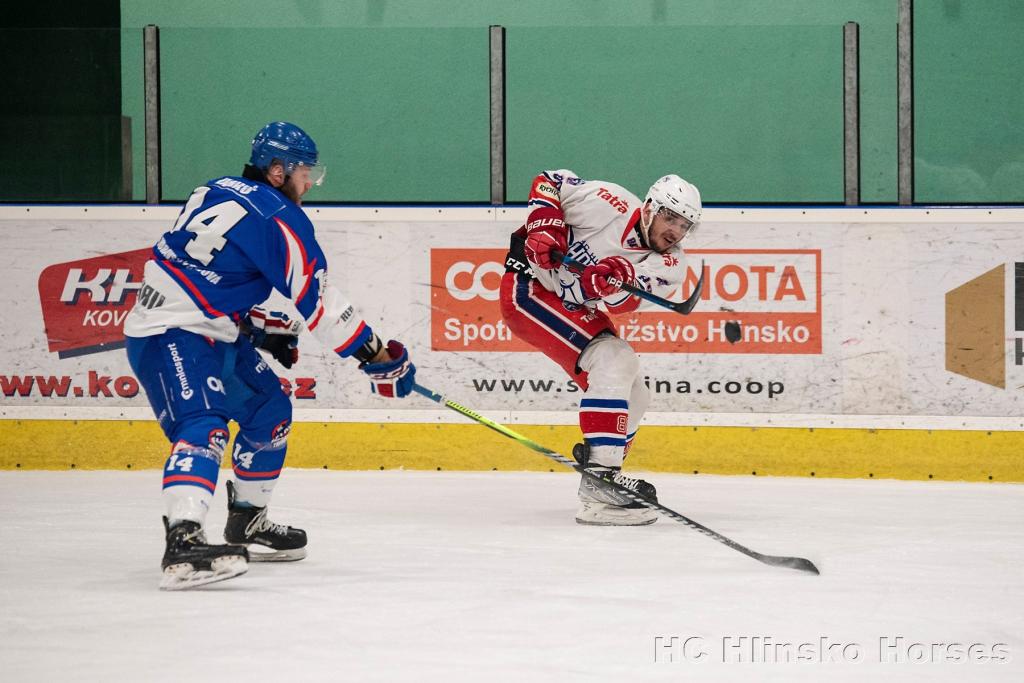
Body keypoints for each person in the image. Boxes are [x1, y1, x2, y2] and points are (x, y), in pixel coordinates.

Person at [124, 122, 416, 590]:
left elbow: (204, 270)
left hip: (210, 330)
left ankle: (247, 521)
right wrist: (377, 356)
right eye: (304, 172)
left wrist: (257, 330)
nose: (310, 183)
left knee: (269, 409)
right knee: (203, 427)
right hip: (171, 333)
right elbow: (320, 304)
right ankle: (182, 543)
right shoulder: (278, 216)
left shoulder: (215, 188)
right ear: (277, 171)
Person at [500, 170, 701, 526]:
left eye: (684, 225)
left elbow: (625, 302)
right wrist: (544, 223)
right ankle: (600, 479)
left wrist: (615, 279)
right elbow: (550, 180)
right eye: (670, 218)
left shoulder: (671, 265)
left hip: (568, 303)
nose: (675, 231)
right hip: (529, 288)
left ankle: (600, 492)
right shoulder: (609, 200)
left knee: (636, 395)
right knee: (615, 358)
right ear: (650, 208)